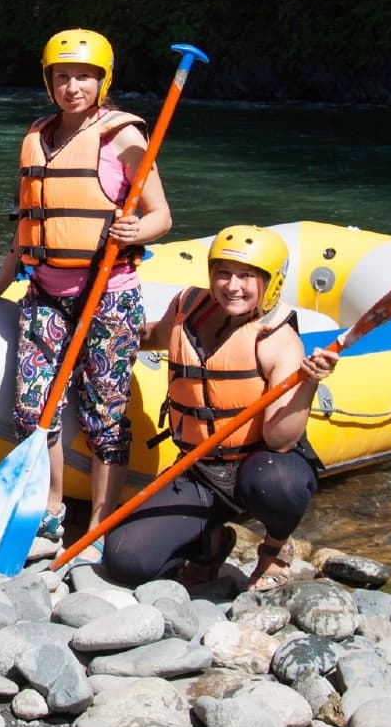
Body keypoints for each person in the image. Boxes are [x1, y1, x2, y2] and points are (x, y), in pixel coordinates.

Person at [0, 29, 172, 556]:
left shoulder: (122, 138)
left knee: (105, 415)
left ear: (103, 80)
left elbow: (161, 217)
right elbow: (28, 223)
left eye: (83, 76)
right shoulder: (39, 136)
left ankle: (101, 521)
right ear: (48, 81)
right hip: (45, 293)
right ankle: (52, 508)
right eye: (62, 76)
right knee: (35, 409)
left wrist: (135, 232)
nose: (72, 86)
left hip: (109, 295)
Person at [98, 225, 340, 592]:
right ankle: (209, 546)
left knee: (277, 482)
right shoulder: (186, 306)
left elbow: (279, 440)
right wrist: (106, 336)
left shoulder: (279, 340)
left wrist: (309, 382)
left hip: (260, 467)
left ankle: (275, 548)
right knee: (125, 561)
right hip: (200, 469)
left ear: (269, 281)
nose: (232, 285)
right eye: (223, 273)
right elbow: (156, 336)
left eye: (247, 276)